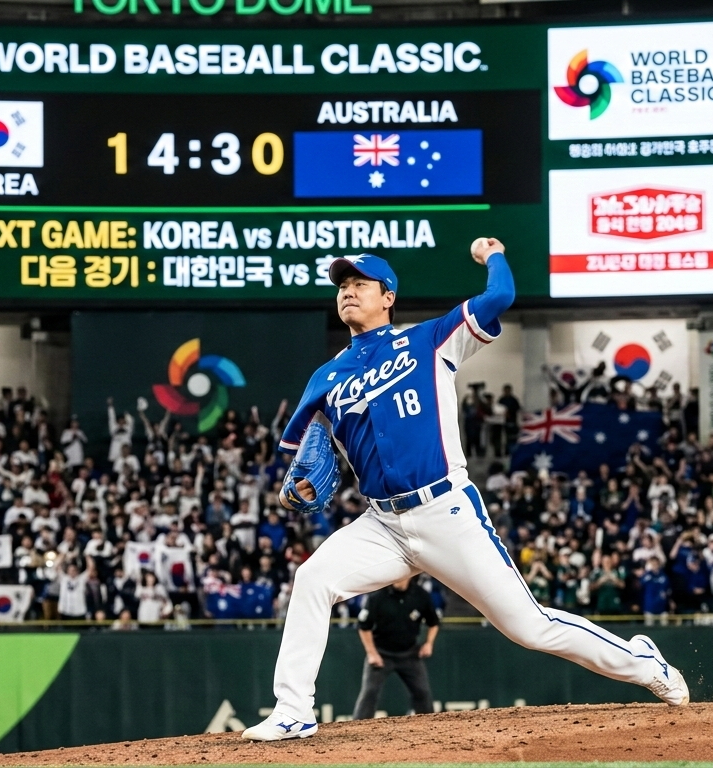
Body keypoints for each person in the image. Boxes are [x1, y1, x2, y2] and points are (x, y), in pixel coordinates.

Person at [240, 239, 688, 743]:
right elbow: (304, 458)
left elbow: (500, 297)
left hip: (445, 511)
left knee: (529, 627)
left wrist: (494, 254)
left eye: (360, 283)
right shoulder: (326, 377)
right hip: (382, 524)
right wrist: (293, 492)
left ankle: (643, 662)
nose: (348, 291)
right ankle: (293, 710)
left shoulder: (429, 340)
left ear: (388, 296)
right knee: (312, 579)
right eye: (343, 285)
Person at [352, 576, 440, 720]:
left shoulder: (420, 595)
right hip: (382, 654)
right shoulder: (377, 596)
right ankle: (357, 727)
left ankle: (430, 726)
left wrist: (429, 643)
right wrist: (372, 653)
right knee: (370, 692)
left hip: (410, 654)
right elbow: (363, 626)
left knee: (422, 692)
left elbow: (434, 622)